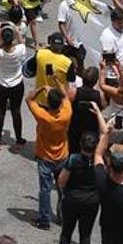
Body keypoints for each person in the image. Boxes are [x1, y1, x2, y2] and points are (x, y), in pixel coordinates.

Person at [54, 103, 109, 244]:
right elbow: (105, 132)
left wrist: (64, 193)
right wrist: (98, 112)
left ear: (80, 144)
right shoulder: (100, 162)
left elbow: (61, 181)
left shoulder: (73, 160)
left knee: (66, 232)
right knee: (85, 234)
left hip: (71, 200)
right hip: (91, 202)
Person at [27, 82, 73, 230]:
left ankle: (44, 219)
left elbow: (29, 99)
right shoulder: (67, 113)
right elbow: (65, 95)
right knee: (63, 189)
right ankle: (64, 216)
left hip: (45, 157)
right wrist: (56, 83)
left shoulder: (43, 117)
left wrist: (41, 88)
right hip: (62, 156)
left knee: (45, 190)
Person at [0, 22, 28, 150]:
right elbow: (22, 42)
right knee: (16, 111)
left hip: (0, 85)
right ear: (13, 38)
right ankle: (19, 139)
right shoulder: (20, 50)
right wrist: (16, 30)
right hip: (17, 85)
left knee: (0, 111)